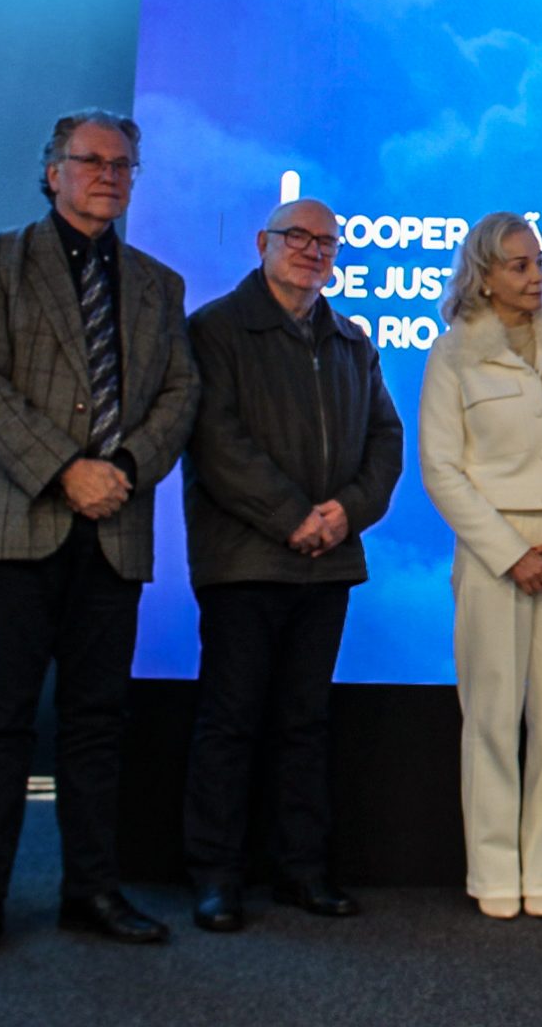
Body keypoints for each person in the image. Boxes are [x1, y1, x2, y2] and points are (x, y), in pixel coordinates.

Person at [0, 110, 199, 960]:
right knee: (1, 720)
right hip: (14, 528)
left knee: (96, 722)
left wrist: (121, 466)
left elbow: (180, 396)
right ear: (53, 171)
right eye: (91, 161)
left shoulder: (159, 284)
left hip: (114, 534)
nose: (108, 175)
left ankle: (91, 890)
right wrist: (65, 470)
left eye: (123, 165)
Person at [179, 198, 404, 932]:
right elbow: (216, 442)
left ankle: (301, 871)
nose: (313, 251)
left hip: (327, 566)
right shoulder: (215, 329)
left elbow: (386, 441)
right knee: (231, 722)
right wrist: (292, 518)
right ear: (262, 243)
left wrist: (346, 513)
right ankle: (216, 877)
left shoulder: (352, 340)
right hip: (243, 562)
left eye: (326, 242)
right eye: (297, 237)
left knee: (305, 724)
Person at [419, 212, 542, 921]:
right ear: (483, 275)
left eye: (539, 263)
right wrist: (509, 554)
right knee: (492, 716)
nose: (537, 276)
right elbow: (440, 469)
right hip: (491, 551)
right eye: (519, 265)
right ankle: (495, 874)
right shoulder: (453, 353)